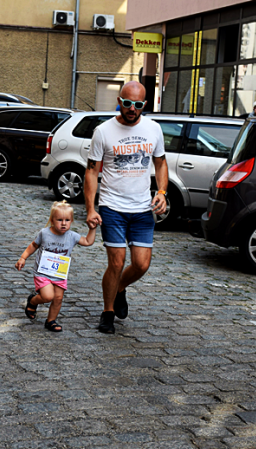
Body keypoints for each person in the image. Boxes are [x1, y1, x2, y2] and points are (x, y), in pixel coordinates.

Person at [84, 81, 168, 334]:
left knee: (142, 264)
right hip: (112, 207)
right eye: (128, 103)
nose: (132, 108)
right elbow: (90, 171)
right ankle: (107, 312)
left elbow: (161, 163)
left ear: (144, 105)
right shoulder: (103, 131)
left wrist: (162, 192)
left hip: (142, 208)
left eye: (138, 104)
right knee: (117, 261)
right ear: (119, 102)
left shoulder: (154, 129)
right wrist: (90, 208)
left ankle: (119, 288)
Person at [16, 201, 96, 332]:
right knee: (48, 296)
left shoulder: (72, 236)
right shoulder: (45, 233)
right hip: (43, 272)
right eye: (60, 220)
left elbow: (87, 241)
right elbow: (34, 245)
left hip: (59, 273)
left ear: (71, 221)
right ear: (52, 220)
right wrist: (23, 257)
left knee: (58, 298)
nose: (64, 223)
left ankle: (51, 320)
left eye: (67, 220)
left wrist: (92, 228)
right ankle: (32, 301)